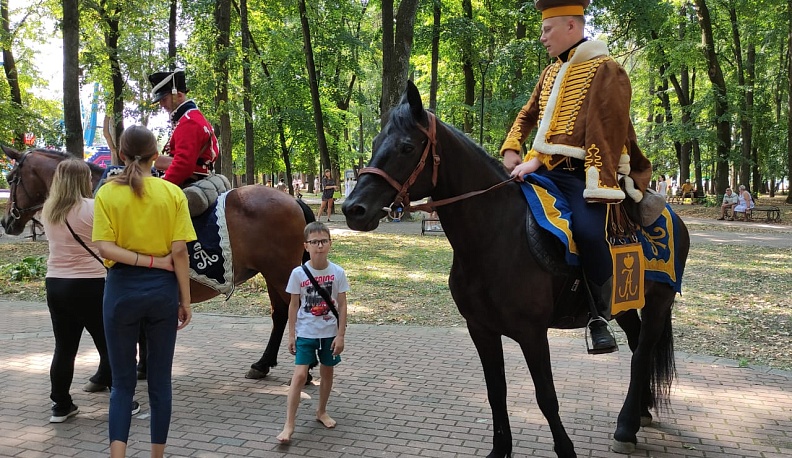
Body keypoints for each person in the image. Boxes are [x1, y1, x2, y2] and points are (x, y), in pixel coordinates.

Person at [499, 0, 652, 354]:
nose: (541, 38)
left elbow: (606, 131)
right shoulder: (551, 71)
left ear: (571, 26)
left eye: (546, 30)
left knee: (586, 232)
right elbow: (528, 113)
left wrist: (536, 158)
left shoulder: (606, 69)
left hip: (585, 176)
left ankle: (599, 316)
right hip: (546, 172)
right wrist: (512, 146)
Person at [93, 125, 196, 458]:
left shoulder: (107, 193)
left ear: (121, 155)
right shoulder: (172, 194)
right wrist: (186, 300)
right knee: (159, 383)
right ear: (156, 156)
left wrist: (144, 261)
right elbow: (179, 253)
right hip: (162, 294)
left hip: (120, 291)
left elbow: (104, 249)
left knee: (122, 385)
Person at [41, 159, 119, 422]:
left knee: (64, 348)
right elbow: (111, 242)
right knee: (108, 344)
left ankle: (61, 405)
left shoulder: (48, 211)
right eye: (87, 178)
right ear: (82, 181)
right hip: (90, 285)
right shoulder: (93, 208)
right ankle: (122, 399)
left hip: (56, 284)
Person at [277, 221, 348, 444]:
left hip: (329, 332)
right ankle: (289, 424)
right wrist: (291, 335)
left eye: (324, 241)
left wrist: (341, 335)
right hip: (306, 332)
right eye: (314, 242)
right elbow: (293, 305)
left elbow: (343, 305)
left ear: (330, 244)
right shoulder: (298, 274)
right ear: (305, 246)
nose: (319, 246)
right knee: (299, 376)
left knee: (327, 372)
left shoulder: (338, 272)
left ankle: (322, 411)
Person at [148, 69, 219, 188]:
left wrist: (161, 187)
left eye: (164, 99)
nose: (161, 105)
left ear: (179, 95)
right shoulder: (189, 117)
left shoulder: (189, 121)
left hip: (188, 179)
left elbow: (183, 165)